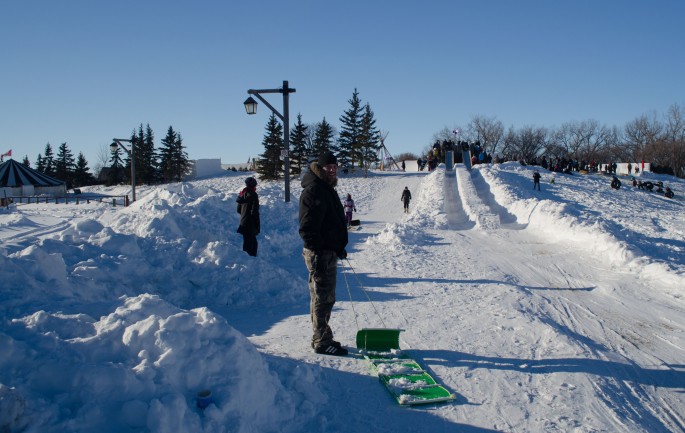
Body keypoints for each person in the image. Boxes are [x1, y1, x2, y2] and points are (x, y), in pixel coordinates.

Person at [299, 151, 349, 356]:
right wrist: (319, 253)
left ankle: (321, 336)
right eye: (329, 167)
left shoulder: (325, 187)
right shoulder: (314, 190)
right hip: (319, 253)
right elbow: (307, 228)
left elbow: (329, 222)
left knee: (326, 297)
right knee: (322, 297)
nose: (333, 170)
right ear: (319, 168)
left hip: (328, 251)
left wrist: (337, 246)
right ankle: (321, 341)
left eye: (335, 167)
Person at [236, 177, 260, 257]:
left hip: (243, 222)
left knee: (247, 244)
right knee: (252, 246)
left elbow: (238, 210)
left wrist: (245, 214)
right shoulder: (253, 195)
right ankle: (250, 262)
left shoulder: (242, 194)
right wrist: (257, 225)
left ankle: (247, 260)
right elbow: (254, 211)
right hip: (251, 223)